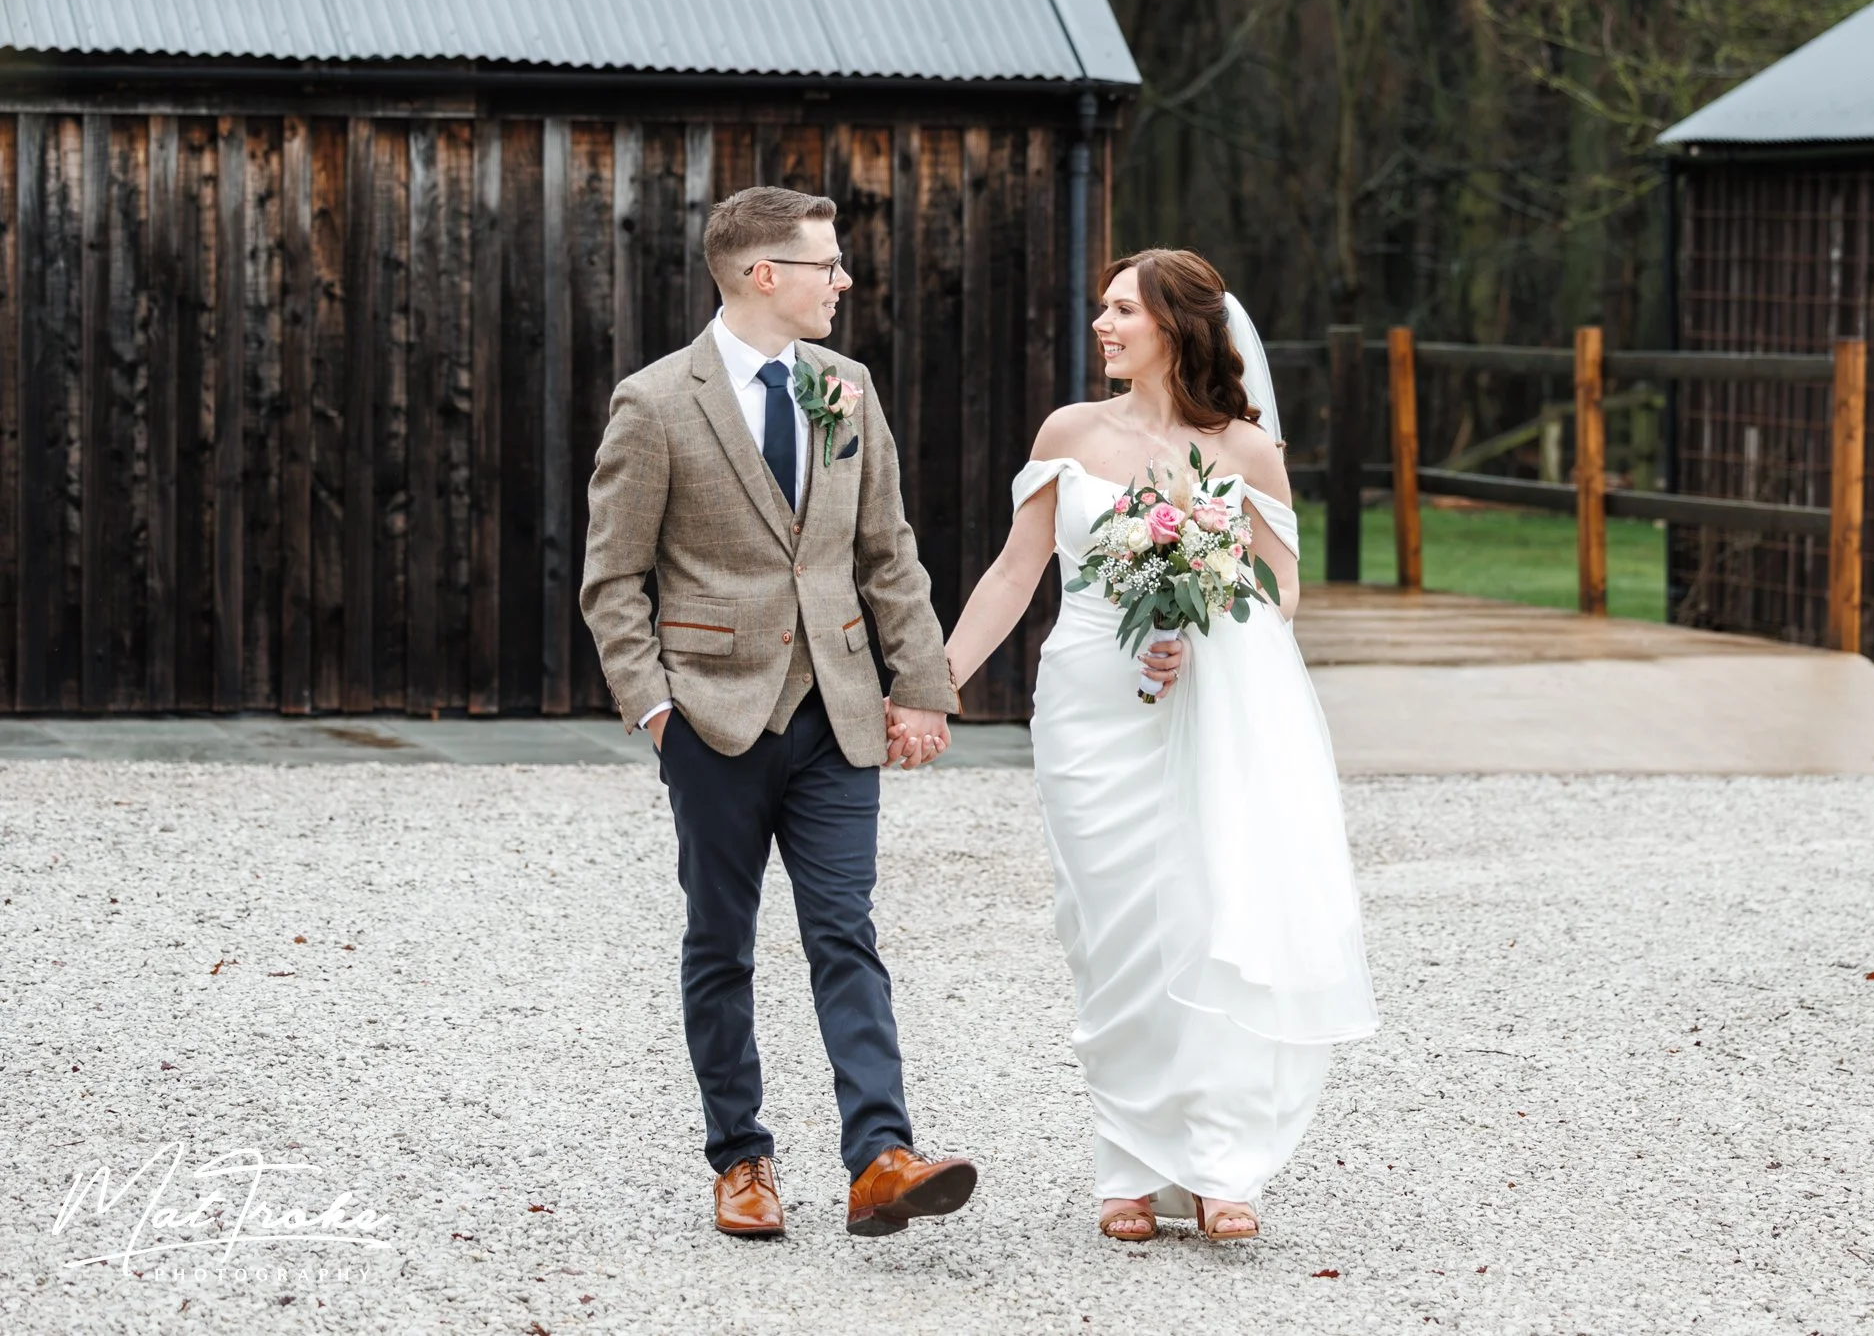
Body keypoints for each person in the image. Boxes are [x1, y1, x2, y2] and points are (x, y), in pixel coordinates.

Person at [939, 249, 1378, 1242]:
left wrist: (1205, 617)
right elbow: (1014, 574)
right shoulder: (1069, 433)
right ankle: (1127, 1163)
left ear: (1176, 327)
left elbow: (1282, 587)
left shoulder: (1246, 452)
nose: (1101, 324)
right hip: (1089, 706)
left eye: (1121, 309)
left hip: (1203, 708)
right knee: (1110, 932)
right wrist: (938, 676)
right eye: (1100, 307)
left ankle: (1222, 1164)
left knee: (1208, 912)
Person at [580, 186, 976, 1240]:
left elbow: (884, 548)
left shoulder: (846, 387)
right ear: (765, 274)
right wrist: (656, 707)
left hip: (837, 715)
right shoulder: (656, 401)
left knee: (844, 929)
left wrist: (922, 684)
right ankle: (740, 1158)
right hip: (710, 718)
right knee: (721, 939)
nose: (841, 280)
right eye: (825, 264)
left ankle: (880, 1157)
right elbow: (611, 579)